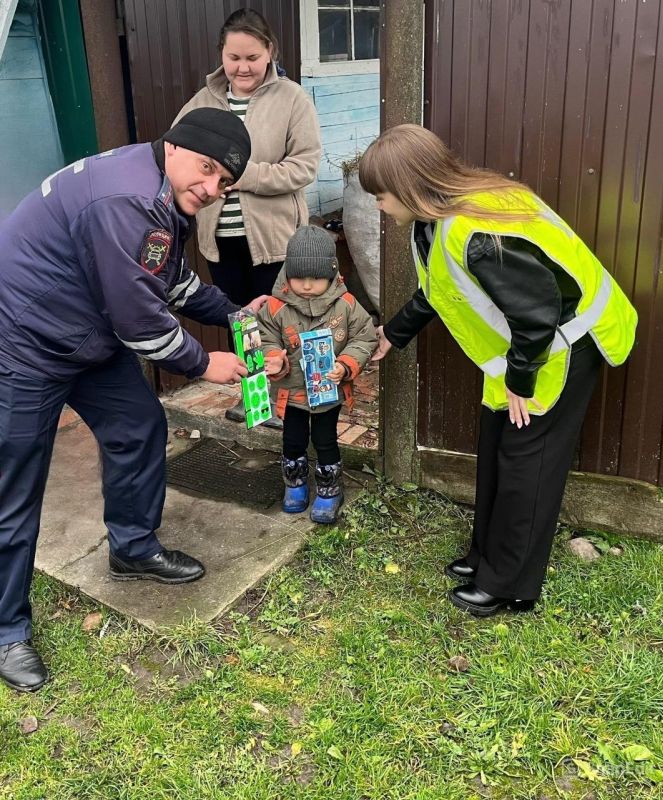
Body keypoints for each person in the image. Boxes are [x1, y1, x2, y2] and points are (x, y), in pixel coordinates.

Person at [0, 108, 269, 692]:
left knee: (139, 425)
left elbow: (169, 280)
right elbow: (140, 320)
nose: (211, 188)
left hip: (83, 332)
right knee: (16, 481)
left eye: (224, 182)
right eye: (207, 169)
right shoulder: (128, 199)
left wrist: (233, 313)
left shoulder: (161, 193)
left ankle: (133, 548)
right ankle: (6, 630)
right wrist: (205, 364)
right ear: (175, 146)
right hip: (24, 341)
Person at [360, 124, 637, 617]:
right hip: (533, 346)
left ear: (409, 187)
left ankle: (510, 585)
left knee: (529, 463)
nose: (379, 206)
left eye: (381, 195)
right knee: (497, 448)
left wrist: (520, 381)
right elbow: (441, 288)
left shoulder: (476, 234)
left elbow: (538, 314)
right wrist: (394, 333)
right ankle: (485, 557)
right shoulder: (437, 220)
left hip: (564, 344)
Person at [174, 8, 321, 426]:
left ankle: (289, 399)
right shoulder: (203, 102)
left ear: (270, 51)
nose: (242, 67)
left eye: (252, 57)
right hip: (222, 241)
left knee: (281, 318)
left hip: (275, 239)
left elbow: (305, 166)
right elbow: (176, 154)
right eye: (233, 57)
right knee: (242, 321)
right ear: (221, 54)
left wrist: (245, 175)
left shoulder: (292, 98)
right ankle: (255, 400)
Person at [257, 226, 377, 524]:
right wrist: (273, 358)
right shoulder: (275, 306)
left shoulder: (346, 305)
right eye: (299, 277)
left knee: (325, 440)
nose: (307, 285)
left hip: (328, 391)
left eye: (316, 278)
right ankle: (295, 484)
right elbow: (264, 336)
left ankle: (329, 489)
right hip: (291, 391)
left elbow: (364, 336)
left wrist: (346, 364)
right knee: (292, 438)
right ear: (288, 272)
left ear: (332, 274)